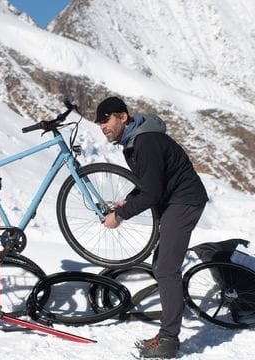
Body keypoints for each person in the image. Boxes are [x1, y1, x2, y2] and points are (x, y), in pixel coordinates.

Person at [96, 96, 209, 359]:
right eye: (99, 123)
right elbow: (152, 180)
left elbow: (153, 193)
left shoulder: (145, 142)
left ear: (123, 117)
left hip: (184, 202)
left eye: (106, 120)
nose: (102, 126)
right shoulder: (136, 141)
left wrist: (120, 215)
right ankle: (167, 332)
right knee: (162, 267)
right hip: (174, 200)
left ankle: (169, 340)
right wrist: (131, 197)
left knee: (167, 269)